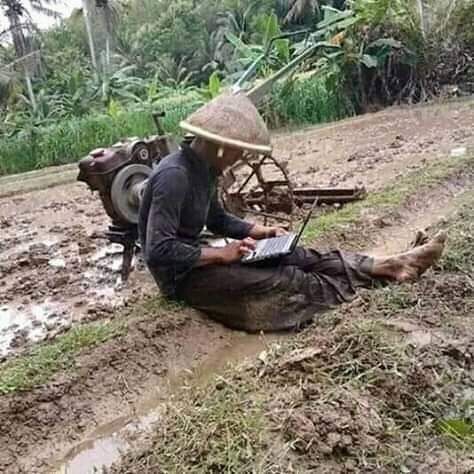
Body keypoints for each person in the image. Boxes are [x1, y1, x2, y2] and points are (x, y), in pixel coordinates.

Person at [138, 93, 446, 332]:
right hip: (182, 278)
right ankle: (368, 289)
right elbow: (158, 250)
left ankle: (390, 265)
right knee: (285, 279)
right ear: (219, 145)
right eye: (237, 151)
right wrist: (221, 254)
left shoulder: (205, 171)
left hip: (202, 261)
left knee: (297, 255)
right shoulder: (174, 176)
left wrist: (259, 232)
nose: (239, 158)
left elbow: (215, 218)